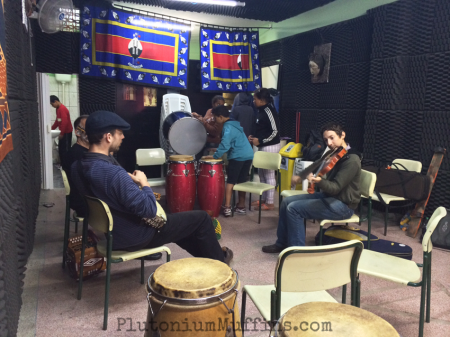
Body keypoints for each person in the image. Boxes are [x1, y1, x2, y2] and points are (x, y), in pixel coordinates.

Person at [71, 110, 233, 264]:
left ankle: (212, 258)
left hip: (116, 232)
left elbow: (105, 189)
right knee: (202, 219)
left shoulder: (79, 166)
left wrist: (126, 182)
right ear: (108, 137)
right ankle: (220, 264)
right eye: (119, 133)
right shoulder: (112, 173)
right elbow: (149, 210)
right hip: (135, 235)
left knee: (181, 226)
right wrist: (144, 184)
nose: (123, 137)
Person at [262, 122, 361, 253]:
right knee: (286, 202)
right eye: (326, 140)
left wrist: (319, 181)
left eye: (332, 138)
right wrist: (300, 176)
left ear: (342, 135)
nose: (329, 143)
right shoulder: (335, 152)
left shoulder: (351, 160)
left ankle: (297, 251)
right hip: (331, 197)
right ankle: (282, 243)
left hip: (343, 205)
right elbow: (316, 164)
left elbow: (335, 187)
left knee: (294, 209)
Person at [204, 105, 254, 217]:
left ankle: (227, 207)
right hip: (248, 154)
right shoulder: (235, 124)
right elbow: (234, 143)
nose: (215, 120)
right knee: (241, 181)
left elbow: (226, 143)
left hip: (238, 156)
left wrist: (215, 156)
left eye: (215, 118)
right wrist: (218, 149)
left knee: (231, 181)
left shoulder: (227, 127)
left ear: (221, 117)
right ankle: (241, 206)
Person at [248, 88, 281, 211]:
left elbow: (275, 132)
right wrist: (254, 137)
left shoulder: (269, 111)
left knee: (269, 174)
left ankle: (270, 203)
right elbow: (263, 128)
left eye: (255, 99)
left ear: (262, 100)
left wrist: (260, 141)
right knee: (262, 173)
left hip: (270, 146)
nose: (253, 101)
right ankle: (265, 199)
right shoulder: (261, 110)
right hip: (264, 145)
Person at [65, 115, 89, 217]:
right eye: (88, 129)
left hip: (85, 200)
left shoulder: (85, 152)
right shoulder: (77, 154)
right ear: (78, 132)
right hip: (85, 204)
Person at [51, 95, 73, 170]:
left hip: (66, 133)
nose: (52, 106)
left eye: (52, 104)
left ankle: (66, 166)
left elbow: (64, 122)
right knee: (61, 149)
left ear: (56, 101)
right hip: (63, 132)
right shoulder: (58, 109)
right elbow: (58, 121)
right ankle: (62, 164)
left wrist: (62, 133)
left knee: (65, 150)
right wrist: (51, 129)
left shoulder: (62, 109)